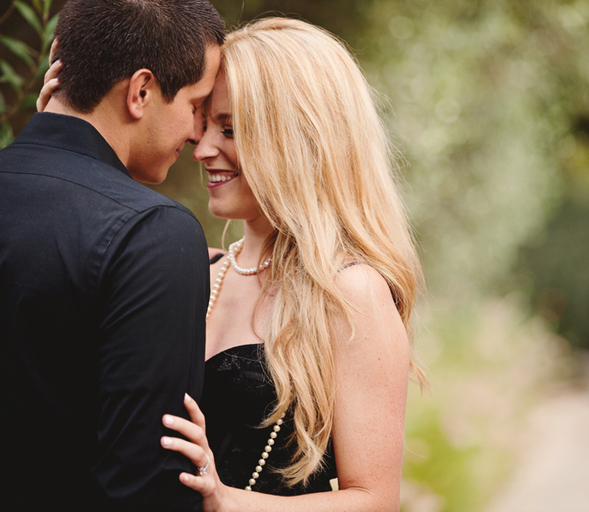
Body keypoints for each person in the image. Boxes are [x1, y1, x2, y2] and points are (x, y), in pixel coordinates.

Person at [159, 17, 428, 511]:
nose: (202, 150)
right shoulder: (197, 270)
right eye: (204, 125)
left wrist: (227, 501)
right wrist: (65, 131)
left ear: (299, 140)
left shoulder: (351, 294)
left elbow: (374, 500)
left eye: (231, 129)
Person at [0, 1, 224, 511]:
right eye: (195, 106)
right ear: (141, 91)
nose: (196, 136)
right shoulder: (153, 236)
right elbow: (147, 488)